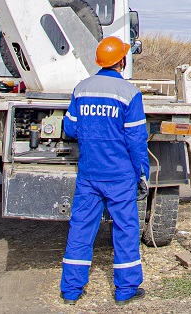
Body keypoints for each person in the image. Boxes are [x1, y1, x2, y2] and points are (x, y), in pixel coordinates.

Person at [60, 36, 150, 305]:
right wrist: (141, 173)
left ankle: (71, 290)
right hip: (120, 175)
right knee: (125, 230)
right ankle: (125, 290)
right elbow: (136, 140)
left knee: (81, 229)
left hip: (89, 174)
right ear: (121, 61)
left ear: (100, 61)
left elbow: (71, 129)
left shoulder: (81, 89)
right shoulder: (130, 94)